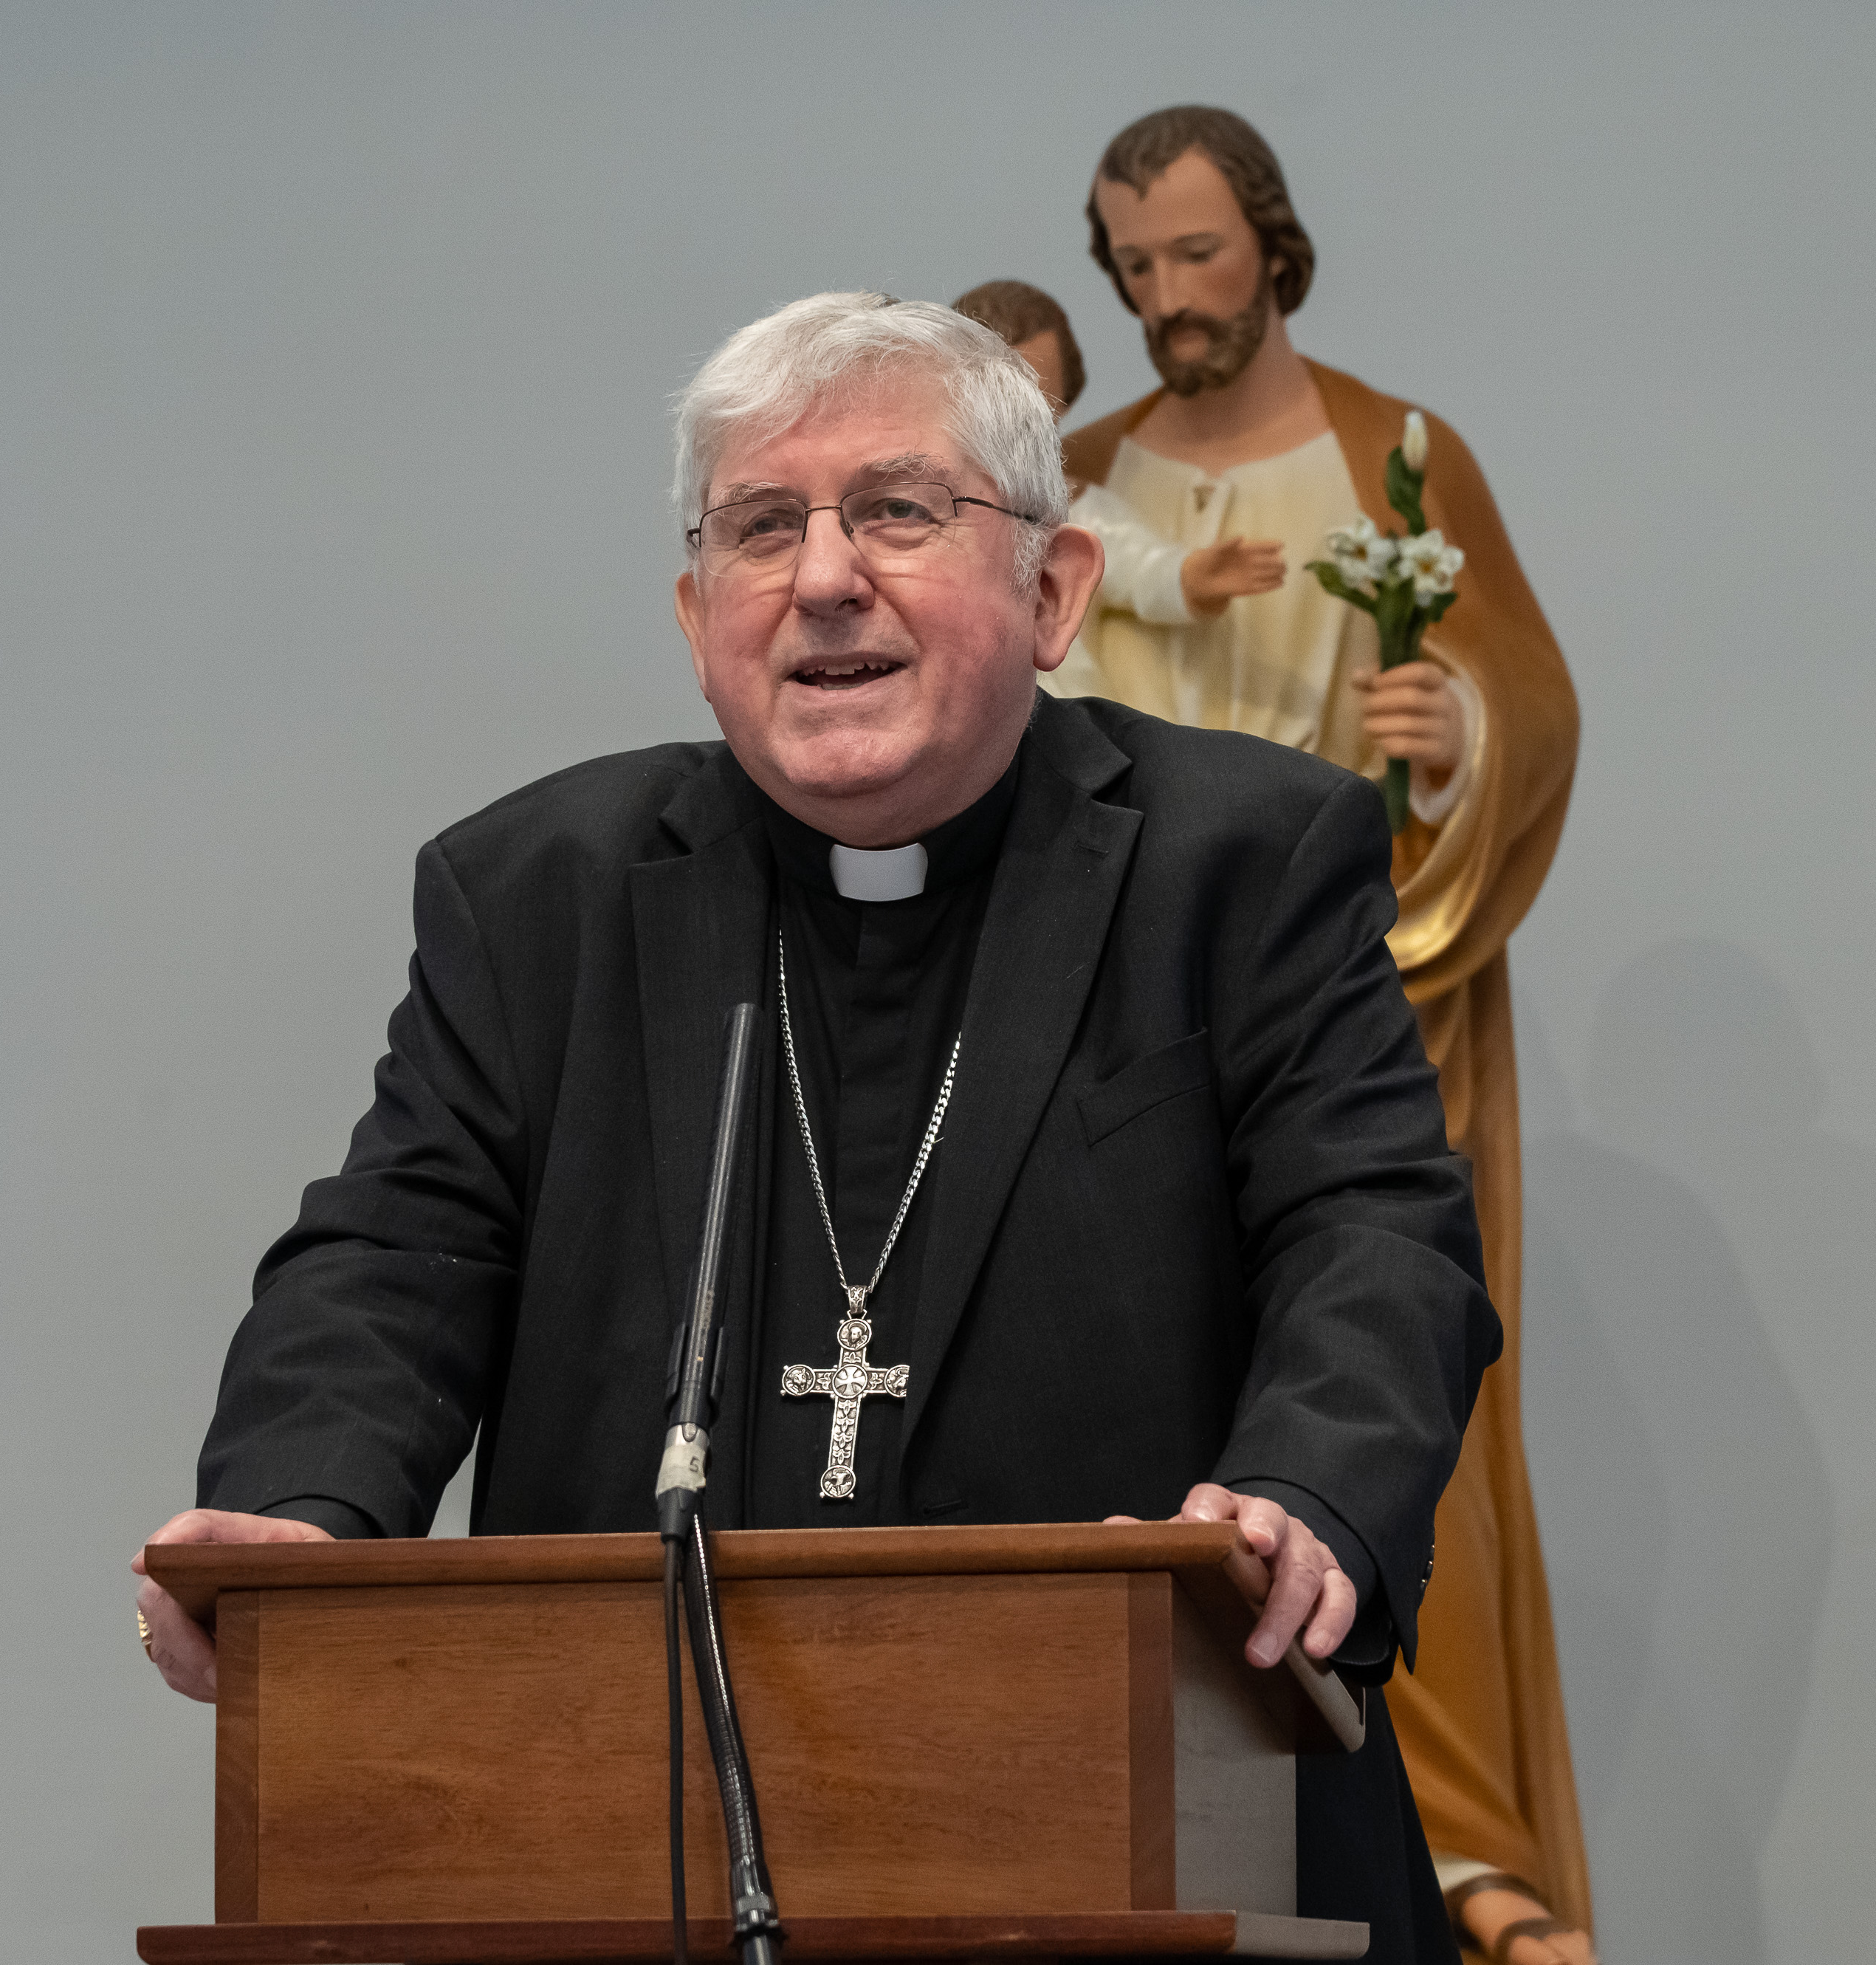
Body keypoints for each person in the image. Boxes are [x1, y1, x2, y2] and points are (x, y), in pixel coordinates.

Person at [130, 291, 1499, 1965]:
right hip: (629, 1860)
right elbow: (397, 1247)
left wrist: (1302, 1493)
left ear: (1055, 590)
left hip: (1173, 1845)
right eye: (762, 528)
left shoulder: (1240, 865)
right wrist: (299, 1507)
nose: (825, 576)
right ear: (699, 609)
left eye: (898, 511)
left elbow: (1375, 1233)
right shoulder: (539, 901)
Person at [1062, 108, 1591, 1965]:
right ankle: (1116, 1822)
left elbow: (1518, 692)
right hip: (1113, 1040)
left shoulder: (1392, 456)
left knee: (1367, 1408)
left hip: (1345, 1007)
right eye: (1132, 267)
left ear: (1272, 246)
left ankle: (1448, 1848)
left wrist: (1461, 736)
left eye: (1196, 256)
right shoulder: (1078, 479)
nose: (1165, 300)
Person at [949, 278, 1285, 641]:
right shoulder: (926, 498)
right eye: (1002, 411)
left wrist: (1187, 578)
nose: (1024, 432)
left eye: (1045, 414)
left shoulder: (1078, 513)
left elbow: (1137, 566)